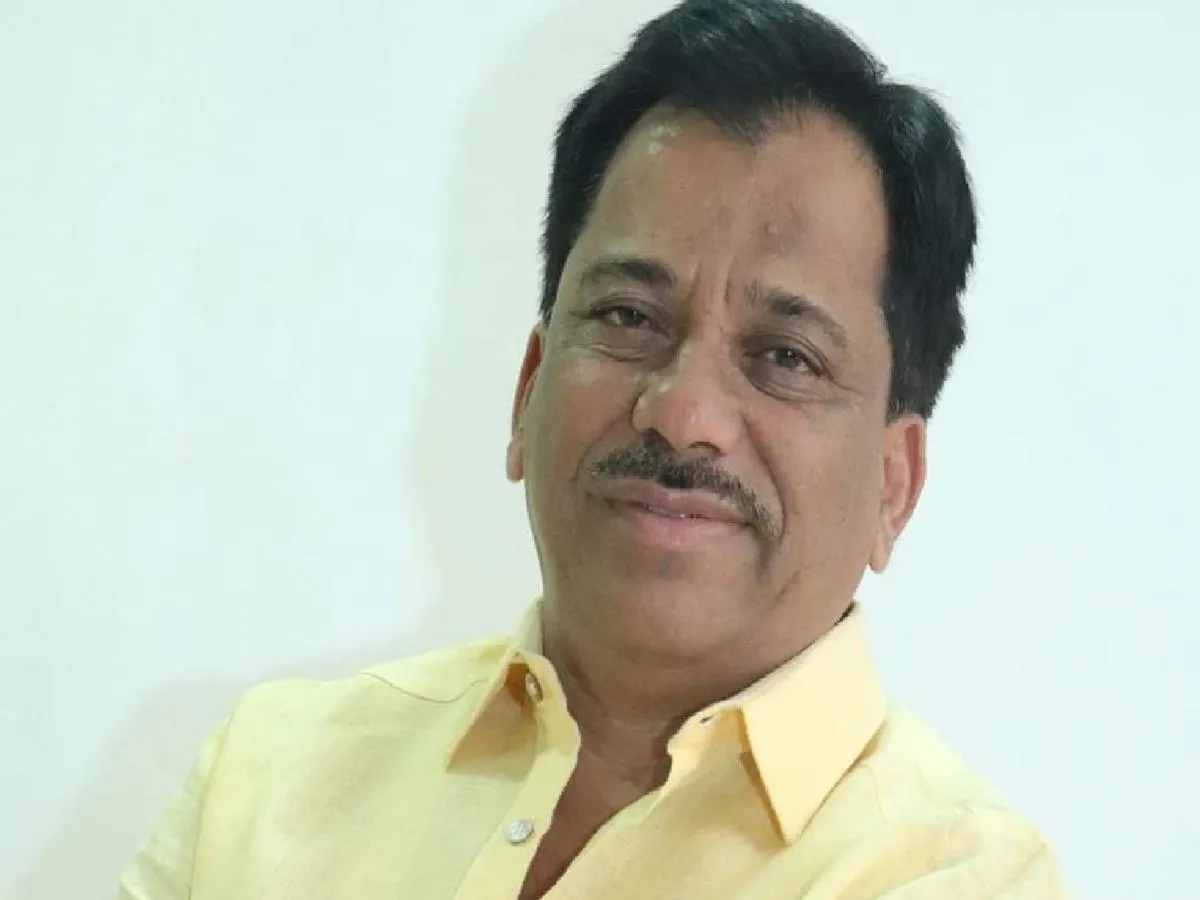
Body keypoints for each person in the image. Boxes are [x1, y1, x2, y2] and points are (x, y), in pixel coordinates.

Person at [118, 0, 1067, 897]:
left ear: (895, 485)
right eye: (628, 317)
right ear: (528, 387)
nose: (682, 411)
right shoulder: (270, 780)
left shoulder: (952, 876)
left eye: (786, 356)